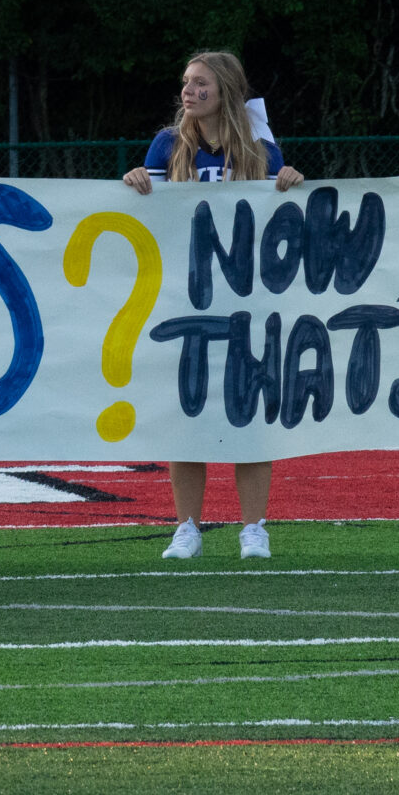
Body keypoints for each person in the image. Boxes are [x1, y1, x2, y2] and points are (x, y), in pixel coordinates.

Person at [121, 50, 305, 562]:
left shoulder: (260, 150)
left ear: (226, 90)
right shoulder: (167, 145)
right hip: (186, 300)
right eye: (186, 82)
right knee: (187, 417)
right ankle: (187, 528)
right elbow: (151, 218)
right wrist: (137, 183)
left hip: (248, 301)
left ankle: (254, 528)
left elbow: (281, 216)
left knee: (251, 417)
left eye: (201, 83)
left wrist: (290, 182)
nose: (189, 91)